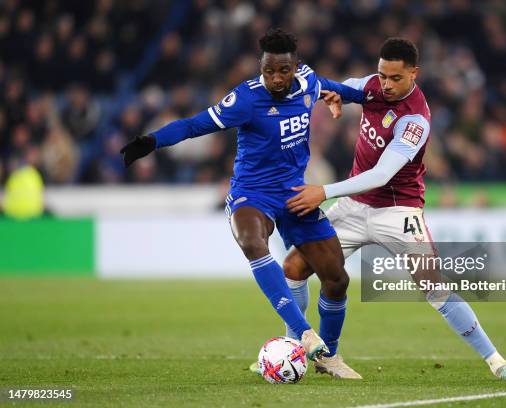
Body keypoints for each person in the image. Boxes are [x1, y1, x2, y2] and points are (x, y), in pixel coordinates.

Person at [281, 38, 506, 382]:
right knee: (293, 266)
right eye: (382, 75)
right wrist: (329, 92)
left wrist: (323, 192)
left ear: (414, 73)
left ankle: (497, 361)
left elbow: (381, 175)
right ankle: (290, 352)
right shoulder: (373, 86)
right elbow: (341, 86)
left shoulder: (416, 120)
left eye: (395, 78)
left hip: (399, 213)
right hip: (354, 207)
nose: (386, 84)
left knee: (435, 288)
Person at [120, 28, 364, 366]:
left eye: (283, 71)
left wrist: (371, 99)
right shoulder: (246, 99)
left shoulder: (308, 82)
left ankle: (329, 356)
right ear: (260, 67)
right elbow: (194, 125)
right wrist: (152, 141)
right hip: (253, 193)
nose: (275, 78)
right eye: (268, 70)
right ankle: (303, 332)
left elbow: (338, 88)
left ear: (295, 67)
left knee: (337, 278)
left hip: (295, 192)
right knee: (253, 241)